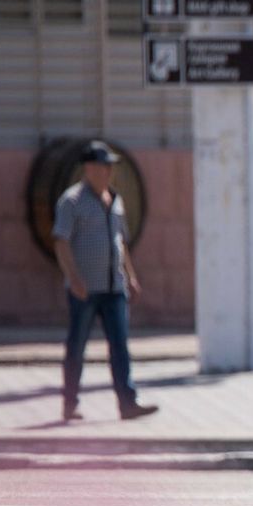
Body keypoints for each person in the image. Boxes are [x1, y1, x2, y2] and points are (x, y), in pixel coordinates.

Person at [51, 140, 156, 422]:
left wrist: (130, 277)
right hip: (85, 288)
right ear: (88, 168)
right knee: (77, 347)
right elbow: (61, 241)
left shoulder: (116, 200)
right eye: (102, 166)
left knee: (120, 345)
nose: (107, 172)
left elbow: (120, 242)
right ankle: (70, 403)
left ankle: (128, 402)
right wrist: (73, 278)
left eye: (109, 167)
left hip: (114, 287)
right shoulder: (71, 201)